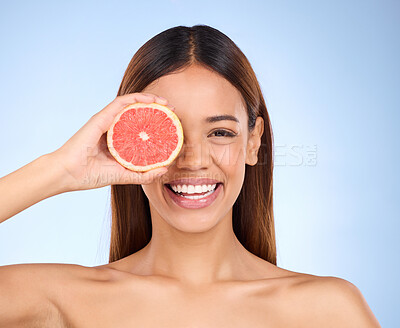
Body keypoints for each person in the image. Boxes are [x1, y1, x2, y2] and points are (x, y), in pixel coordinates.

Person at [0, 24, 380, 327]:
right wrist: (60, 170)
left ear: (253, 142)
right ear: (130, 141)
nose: (193, 160)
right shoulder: (63, 298)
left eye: (220, 132)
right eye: (171, 133)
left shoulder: (327, 309)